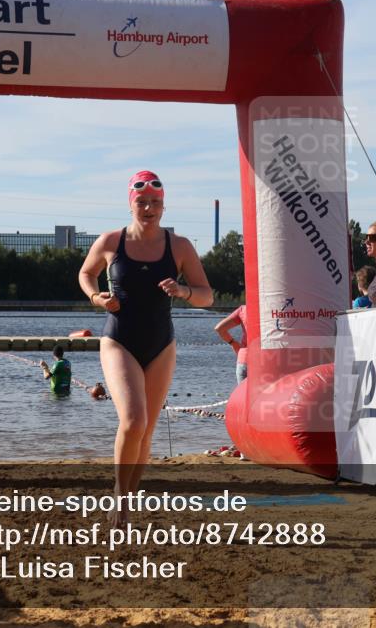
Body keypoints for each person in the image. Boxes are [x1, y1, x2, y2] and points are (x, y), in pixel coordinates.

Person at [78, 170, 213, 527]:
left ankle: (127, 501)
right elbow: (85, 273)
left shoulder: (179, 246)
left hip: (161, 344)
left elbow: (207, 295)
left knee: (148, 429)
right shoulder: (111, 241)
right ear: (130, 203)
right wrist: (96, 297)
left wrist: (184, 292)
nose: (149, 208)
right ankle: (119, 502)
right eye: (142, 202)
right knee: (133, 419)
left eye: (155, 203)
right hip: (118, 340)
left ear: (164, 207)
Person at [214, 304, 249, 383]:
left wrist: (233, 343)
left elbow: (219, 328)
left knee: (244, 394)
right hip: (268, 360)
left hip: (244, 359)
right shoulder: (274, 309)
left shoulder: (243, 310)